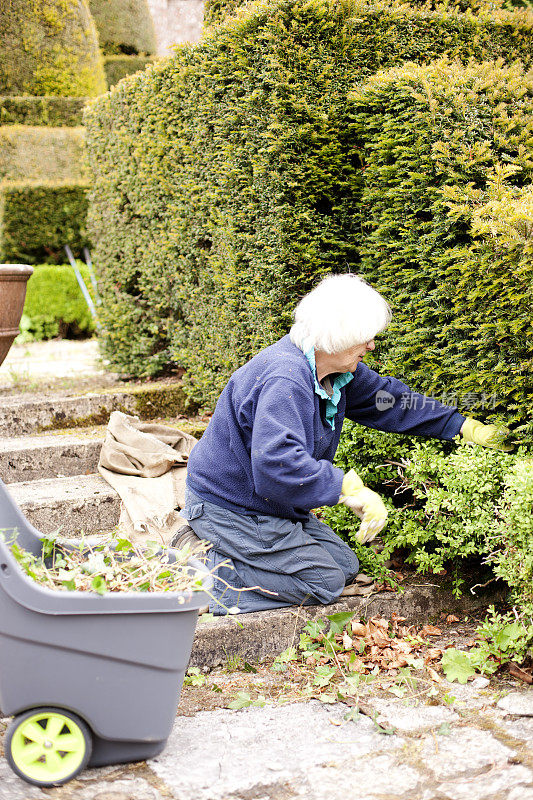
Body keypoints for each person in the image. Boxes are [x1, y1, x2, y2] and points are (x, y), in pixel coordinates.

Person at [177, 274, 511, 614]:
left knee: (345, 567)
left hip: (269, 506)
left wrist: (461, 426)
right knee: (324, 583)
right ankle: (201, 576)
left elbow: (390, 401)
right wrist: (346, 487)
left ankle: (220, 554)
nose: (371, 346)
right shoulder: (285, 380)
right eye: (365, 338)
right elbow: (277, 462)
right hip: (229, 506)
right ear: (338, 339)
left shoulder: (334, 372)